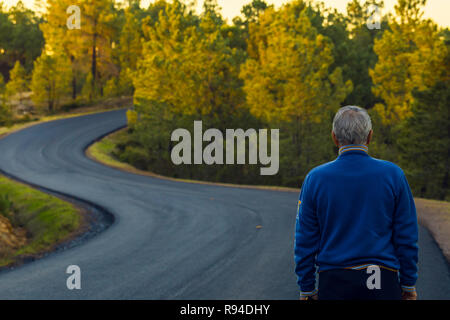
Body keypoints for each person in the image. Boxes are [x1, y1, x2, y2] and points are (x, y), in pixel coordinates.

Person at [294, 106, 419, 300]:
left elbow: (304, 239)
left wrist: (307, 288)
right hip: (383, 281)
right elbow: (407, 235)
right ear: (370, 136)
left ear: (334, 137)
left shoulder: (315, 178)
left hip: (334, 281)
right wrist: (408, 283)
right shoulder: (393, 175)